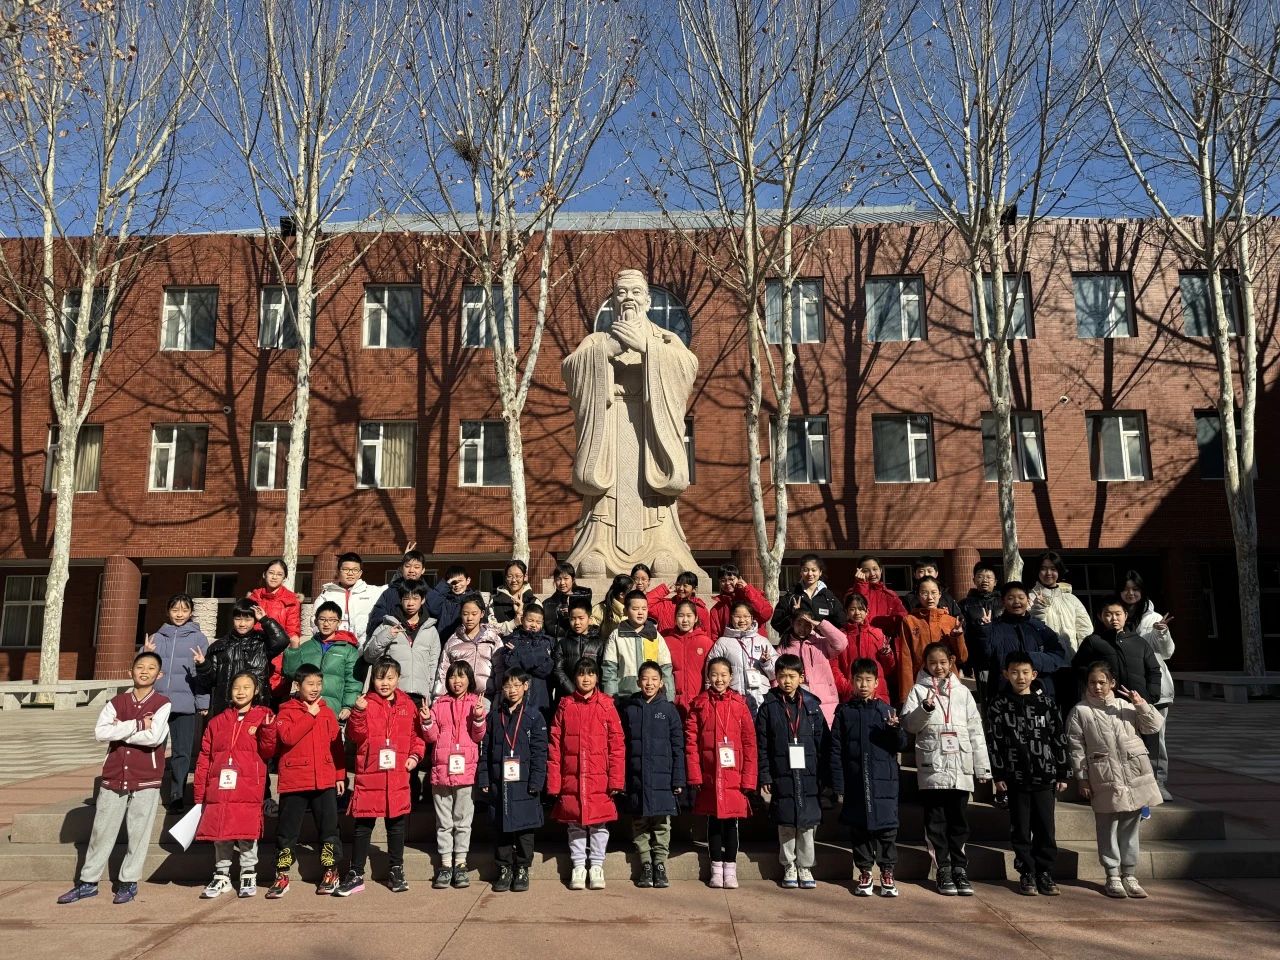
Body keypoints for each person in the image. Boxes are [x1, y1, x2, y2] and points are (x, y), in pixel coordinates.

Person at [57, 651, 171, 905]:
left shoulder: (162, 703)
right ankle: (88, 882)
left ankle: (128, 882)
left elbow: (154, 738)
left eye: (151, 668)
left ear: (159, 674)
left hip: (146, 775)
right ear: (130, 671)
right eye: (140, 667)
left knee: (138, 832)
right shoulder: (116, 701)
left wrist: (119, 728)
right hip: (114, 773)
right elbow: (101, 732)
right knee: (102, 831)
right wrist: (138, 725)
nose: (144, 671)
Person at [1068, 661, 1164, 899]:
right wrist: (1082, 778)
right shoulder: (1080, 711)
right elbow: (1076, 748)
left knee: (1130, 827)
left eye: (1102, 682)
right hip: (1104, 777)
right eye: (1092, 682)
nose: (1097, 687)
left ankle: (1129, 874)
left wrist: (1141, 704)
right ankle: (1112, 875)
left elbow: (1153, 726)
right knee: (1107, 827)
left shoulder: (1125, 706)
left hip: (1133, 776)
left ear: (1112, 683)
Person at [903, 642, 991, 897]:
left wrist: (982, 768)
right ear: (925, 664)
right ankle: (942, 868)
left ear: (951, 661)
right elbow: (910, 725)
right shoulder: (918, 690)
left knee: (959, 821)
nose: (938, 667)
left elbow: (976, 730)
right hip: (933, 767)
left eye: (943, 662)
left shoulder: (963, 693)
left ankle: (959, 868)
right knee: (936, 822)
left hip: (960, 767)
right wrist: (926, 708)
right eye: (933, 663)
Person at [335, 657, 426, 897]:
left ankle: (396, 869)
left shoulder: (407, 705)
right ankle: (356, 873)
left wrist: (414, 756)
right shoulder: (365, 703)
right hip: (370, 773)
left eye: (390, 678)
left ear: (398, 679)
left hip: (397, 774)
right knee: (363, 825)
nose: (384, 683)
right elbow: (355, 735)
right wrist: (357, 712)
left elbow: (416, 737)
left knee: (396, 825)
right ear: (372, 679)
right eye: (379, 678)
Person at [985, 652, 1071, 897]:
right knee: (1021, 829)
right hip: (1015, 777)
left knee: (1045, 828)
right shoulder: (999, 704)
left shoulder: (1047, 704)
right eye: (1014, 672)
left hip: (1044, 775)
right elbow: (993, 741)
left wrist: (1062, 772)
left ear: (1034, 675)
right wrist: (998, 774)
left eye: (1025, 672)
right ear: (1006, 674)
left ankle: (1045, 872)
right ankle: (1027, 872)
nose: (1020, 677)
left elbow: (1058, 738)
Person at [266, 663, 346, 898]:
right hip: (295, 780)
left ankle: (331, 871)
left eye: (319, 684)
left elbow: (336, 746)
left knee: (329, 829)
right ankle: (282, 874)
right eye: (310, 684)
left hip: (324, 778)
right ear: (297, 685)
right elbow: (288, 738)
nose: (315, 688)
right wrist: (310, 716)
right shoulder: (286, 711)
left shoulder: (327, 711)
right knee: (287, 831)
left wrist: (339, 775)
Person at [193, 671, 275, 899]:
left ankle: (248, 873)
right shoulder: (217, 722)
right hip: (219, 786)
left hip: (248, 786)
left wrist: (268, 730)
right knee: (221, 832)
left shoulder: (263, 716)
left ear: (256, 691)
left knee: (247, 832)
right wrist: (200, 793)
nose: (241, 692)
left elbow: (269, 751)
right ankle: (222, 874)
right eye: (237, 687)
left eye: (247, 687)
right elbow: (204, 758)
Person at [547, 657, 626, 890]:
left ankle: (597, 865)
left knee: (599, 824)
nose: (586, 678)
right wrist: (554, 782)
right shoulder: (565, 705)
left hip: (599, 777)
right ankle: (579, 866)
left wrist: (616, 780)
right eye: (581, 674)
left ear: (597, 677)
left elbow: (617, 745)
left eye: (590, 674)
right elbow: (555, 746)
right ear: (574, 677)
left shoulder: (606, 705)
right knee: (575, 824)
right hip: (572, 776)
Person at [830, 659, 906, 897]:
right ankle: (864, 871)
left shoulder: (886, 711)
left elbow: (901, 744)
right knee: (859, 828)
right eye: (858, 680)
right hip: (856, 781)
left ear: (876, 683)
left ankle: (887, 871)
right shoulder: (844, 712)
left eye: (868, 680)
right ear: (851, 682)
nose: (863, 685)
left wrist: (895, 730)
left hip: (884, 782)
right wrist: (839, 783)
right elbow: (836, 750)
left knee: (887, 830)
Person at [755, 654, 829, 890]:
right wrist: (765, 775)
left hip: (808, 773)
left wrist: (824, 774)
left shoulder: (812, 706)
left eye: (792, 676)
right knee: (786, 821)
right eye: (782, 676)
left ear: (801, 677)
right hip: (782, 772)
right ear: (775, 678)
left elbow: (823, 743)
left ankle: (805, 865)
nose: (787, 681)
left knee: (807, 823)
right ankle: (789, 864)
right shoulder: (768, 707)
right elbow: (762, 745)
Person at [685, 657, 757, 889]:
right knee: (714, 822)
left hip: (734, 775)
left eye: (724, 675)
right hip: (709, 775)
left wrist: (748, 779)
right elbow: (691, 743)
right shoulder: (699, 704)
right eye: (714, 674)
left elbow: (749, 743)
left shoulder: (740, 704)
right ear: (708, 676)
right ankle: (716, 869)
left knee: (731, 824)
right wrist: (695, 775)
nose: (719, 679)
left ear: (731, 677)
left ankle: (730, 868)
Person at [478, 668, 549, 893]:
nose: (512, 690)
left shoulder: (534, 716)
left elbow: (540, 753)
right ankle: (504, 868)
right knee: (501, 828)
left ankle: (522, 868)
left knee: (525, 829)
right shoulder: (494, 717)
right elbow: (485, 750)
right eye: (508, 686)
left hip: (525, 781)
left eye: (517, 685)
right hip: (500, 782)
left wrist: (536, 781)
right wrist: (484, 777)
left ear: (526, 687)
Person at [617, 661, 686, 888]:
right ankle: (645, 863)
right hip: (636, 777)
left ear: (661, 683)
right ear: (638, 682)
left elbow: (678, 747)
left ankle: (660, 864)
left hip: (663, 779)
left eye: (654, 679)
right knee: (639, 822)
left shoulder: (669, 710)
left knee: (662, 824)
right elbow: (621, 745)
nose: (649, 683)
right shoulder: (629, 708)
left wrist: (678, 779)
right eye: (645, 679)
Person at [421, 661, 488, 890]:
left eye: (461, 676)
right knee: (444, 822)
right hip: (441, 771)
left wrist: (478, 717)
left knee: (463, 821)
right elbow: (431, 737)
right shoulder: (439, 704)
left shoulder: (475, 703)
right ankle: (445, 864)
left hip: (466, 772)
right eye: (452, 677)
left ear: (469, 679)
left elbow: (478, 736)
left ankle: (460, 863)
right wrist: (427, 720)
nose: (456, 681)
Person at [143, 592, 208, 814]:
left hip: (185, 704)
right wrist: (145, 653)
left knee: (182, 752)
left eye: (184, 610)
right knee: (153, 749)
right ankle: (149, 791)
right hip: (157, 704)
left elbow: (202, 674)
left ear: (191, 612)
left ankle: (177, 795)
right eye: (175, 609)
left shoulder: (198, 638)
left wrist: (202, 702)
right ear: (168, 611)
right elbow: (141, 669)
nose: (179, 614)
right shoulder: (157, 637)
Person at [1120, 571, 1175, 800]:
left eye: (1135, 589)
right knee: (1127, 738)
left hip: (1154, 688)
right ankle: (1132, 782)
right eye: (1126, 589)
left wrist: (1161, 632)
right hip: (1125, 688)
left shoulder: (1153, 618)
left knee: (1155, 739)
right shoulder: (1115, 615)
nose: (1130, 593)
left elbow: (1166, 652)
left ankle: (1158, 783)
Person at [976, 581, 1069, 704]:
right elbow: (983, 658)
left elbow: (1057, 655)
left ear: (1028, 600)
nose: (1016, 602)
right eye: (1010, 598)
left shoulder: (1039, 628)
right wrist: (984, 632)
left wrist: (1031, 659)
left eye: (1021, 597)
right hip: (1004, 695)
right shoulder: (993, 628)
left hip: (1039, 692)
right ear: (1003, 602)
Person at [195, 598, 290, 716]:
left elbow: (282, 641)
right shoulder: (219, 647)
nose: (242, 624)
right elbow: (208, 682)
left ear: (255, 620)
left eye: (248, 619)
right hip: (226, 708)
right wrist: (203, 666)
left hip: (257, 705)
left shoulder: (262, 642)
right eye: (238, 619)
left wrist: (265, 620)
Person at [362, 579, 441, 707]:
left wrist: (430, 694)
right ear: (400, 600)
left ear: (422, 600)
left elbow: (433, 665)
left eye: (415, 598)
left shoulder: (430, 630)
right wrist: (386, 636)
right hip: (392, 694)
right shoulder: (387, 626)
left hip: (420, 697)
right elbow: (369, 656)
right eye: (406, 599)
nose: (410, 603)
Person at [281, 601, 361, 721]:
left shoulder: (348, 650)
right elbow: (291, 674)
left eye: (332, 620)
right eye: (322, 619)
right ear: (315, 621)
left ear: (339, 622)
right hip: (305, 707)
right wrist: (293, 650)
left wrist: (348, 706)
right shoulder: (305, 647)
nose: (326, 624)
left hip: (332, 708)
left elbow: (353, 681)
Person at [896, 576, 968, 704]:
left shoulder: (951, 621)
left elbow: (962, 657)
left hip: (948, 680)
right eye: (924, 593)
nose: (930, 597)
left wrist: (957, 637)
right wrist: (906, 694)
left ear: (940, 594)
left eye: (934, 592)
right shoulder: (910, 621)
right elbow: (905, 658)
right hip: (921, 680)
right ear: (918, 595)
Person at [774, 608, 848, 726]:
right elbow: (777, 674)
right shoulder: (784, 647)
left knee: (825, 733)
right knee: (802, 731)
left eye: (807, 624)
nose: (803, 628)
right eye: (799, 623)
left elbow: (842, 643)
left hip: (824, 698)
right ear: (792, 623)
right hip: (796, 698)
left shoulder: (821, 643)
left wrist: (820, 624)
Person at [602, 590, 675, 700]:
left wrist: (669, 699)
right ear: (625, 611)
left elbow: (666, 670)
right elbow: (609, 670)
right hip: (625, 698)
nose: (640, 612)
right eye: (635, 609)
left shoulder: (655, 636)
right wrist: (611, 700)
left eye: (644, 609)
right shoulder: (616, 636)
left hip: (652, 698)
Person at [709, 600, 775, 715]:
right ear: (731, 618)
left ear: (752, 618)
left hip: (761, 698)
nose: (742, 620)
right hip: (734, 698)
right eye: (737, 617)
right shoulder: (722, 643)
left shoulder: (762, 641)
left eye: (746, 616)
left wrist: (766, 663)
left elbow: (775, 674)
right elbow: (710, 672)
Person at [491, 602, 555, 718]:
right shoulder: (511, 640)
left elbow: (546, 670)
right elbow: (511, 665)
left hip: (541, 695)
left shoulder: (548, 642)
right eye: (530, 620)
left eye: (538, 622)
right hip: (516, 696)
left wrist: (517, 653)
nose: (534, 625)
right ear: (522, 619)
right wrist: (535, 661)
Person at [831, 593, 896, 705]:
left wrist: (887, 655)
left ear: (867, 611)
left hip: (878, 692)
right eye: (852, 609)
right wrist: (847, 687)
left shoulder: (878, 634)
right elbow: (833, 667)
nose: (857, 613)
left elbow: (888, 669)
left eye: (861, 609)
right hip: (850, 693)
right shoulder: (839, 636)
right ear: (846, 612)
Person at [434, 593, 503, 700]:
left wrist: (499, 698)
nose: (469, 618)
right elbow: (443, 673)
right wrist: (438, 700)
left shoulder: (492, 639)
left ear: (482, 613)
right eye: (465, 614)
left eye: (474, 614)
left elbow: (500, 670)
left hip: (486, 698)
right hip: (459, 698)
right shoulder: (453, 642)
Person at [1028, 551, 1093, 654]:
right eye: (1043, 569)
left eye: (1053, 569)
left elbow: (1085, 630)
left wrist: (1084, 656)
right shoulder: (1029, 598)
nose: (1048, 573)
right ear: (1037, 571)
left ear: (1059, 570)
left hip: (1072, 658)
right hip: (1044, 658)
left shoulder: (1071, 599)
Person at [317, 552, 386, 647]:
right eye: (346, 569)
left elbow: (394, 586)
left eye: (355, 570)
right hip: (333, 646)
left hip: (363, 646)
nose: (350, 573)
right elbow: (315, 621)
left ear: (360, 573)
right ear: (338, 571)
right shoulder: (327, 594)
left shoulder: (372, 592)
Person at [771, 553, 847, 635]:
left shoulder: (829, 597)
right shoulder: (792, 596)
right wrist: (793, 614)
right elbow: (776, 623)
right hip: (797, 642)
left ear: (820, 572)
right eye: (805, 570)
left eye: (814, 570)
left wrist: (823, 628)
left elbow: (841, 623)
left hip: (822, 642)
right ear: (801, 572)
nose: (810, 574)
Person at [365, 549, 429, 641]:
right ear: (401, 569)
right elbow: (376, 620)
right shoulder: (389, 593)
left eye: (416, 567)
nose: (411, 570)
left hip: (421, 642)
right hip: (393, 642)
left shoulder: (429, 593)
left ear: (423, 570)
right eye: (407, 566)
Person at [665, 598, 712, 716]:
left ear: (695, 618)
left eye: (689, 616)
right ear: (675, 618)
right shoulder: (666, 641)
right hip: (673, 701)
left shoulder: (705, 642)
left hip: (699, 701)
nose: (685, 620)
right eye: (681, 615)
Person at [553, 599, 605, 702]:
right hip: (567, 696)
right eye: (573, 619)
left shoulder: (599, 644)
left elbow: (602, 671)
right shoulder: (562, 643)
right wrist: (573, 691)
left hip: (591, 697)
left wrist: (591, 691)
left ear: (590, 619)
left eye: (581, 618)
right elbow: (558, 670)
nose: (577, 623)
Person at [844, 555, 907, 636]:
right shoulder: (852, 592)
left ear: (880, 570)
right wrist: (861, 585)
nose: (872, 574)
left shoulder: (890, 595)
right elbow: (859, 609)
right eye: (866, 571)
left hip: (885, 639)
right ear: (859, 573)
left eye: (875, 569)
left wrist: (885, 622)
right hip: (861, 637)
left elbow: (902, 617)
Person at [708, 564, 774, 641]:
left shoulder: (750, 595)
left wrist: (747, 589)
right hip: (730, 646)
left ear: (739, 579)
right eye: (723, 580)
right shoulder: (716, 610)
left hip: (756, 643)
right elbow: (714, 636)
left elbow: (766, 614)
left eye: (731, 579)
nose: (727, 583)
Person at [959, 562, 1001, 676]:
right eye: (980, 576)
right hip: (976, 659)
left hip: (1001, 657)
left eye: (989, 577)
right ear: (974, 580)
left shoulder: (1004, 602)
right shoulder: (964, 604)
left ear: (995, 582)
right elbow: (964, 635)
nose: (985, 580)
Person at [247, 558, 302, 643]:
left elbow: (292, 631)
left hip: (279, 647)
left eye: (279, 574)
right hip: (253, 645)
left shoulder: (291, 600)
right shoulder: (254, 597)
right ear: (264, 574)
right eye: (271, 573)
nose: (274, 577)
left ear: (284, 578)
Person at [429, 565, 487, 643]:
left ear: (468, 580)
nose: (457, 585)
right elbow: (432, 608)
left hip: (467, 643)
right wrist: (445, 585)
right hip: (443, 642)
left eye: (460, 581)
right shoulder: (444, 599)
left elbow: (483, 622)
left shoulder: (474, 600)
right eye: (453, 582)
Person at [542, 561, 592, 640]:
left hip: (579, 641)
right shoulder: (548, 604)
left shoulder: (584, 598)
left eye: (566, 578)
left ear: (573, 579)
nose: (562, 583)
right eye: (558, 579)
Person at [490, 559, 538, 636]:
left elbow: (539, 629)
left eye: (518, 576)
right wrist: (514, 623)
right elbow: (490, 629)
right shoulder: (495, 601)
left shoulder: (534, 601)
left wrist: (522, 617)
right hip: (502, 643)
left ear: (525, 576)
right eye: (510, 576)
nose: (514, 580)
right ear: (505, 578)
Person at [912, 557, 965, 622]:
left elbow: (959, 618)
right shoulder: (909, 598)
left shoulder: (946, 597)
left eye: (929, 571)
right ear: (915, 574)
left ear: (936, 573)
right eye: (921, 571)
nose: (926, 574)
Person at [592, 573, 635, 640]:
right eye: (632, 591)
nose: (635, 594)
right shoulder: (600, 609)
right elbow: (592, 634)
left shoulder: (634, 608)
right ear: (622, 595)